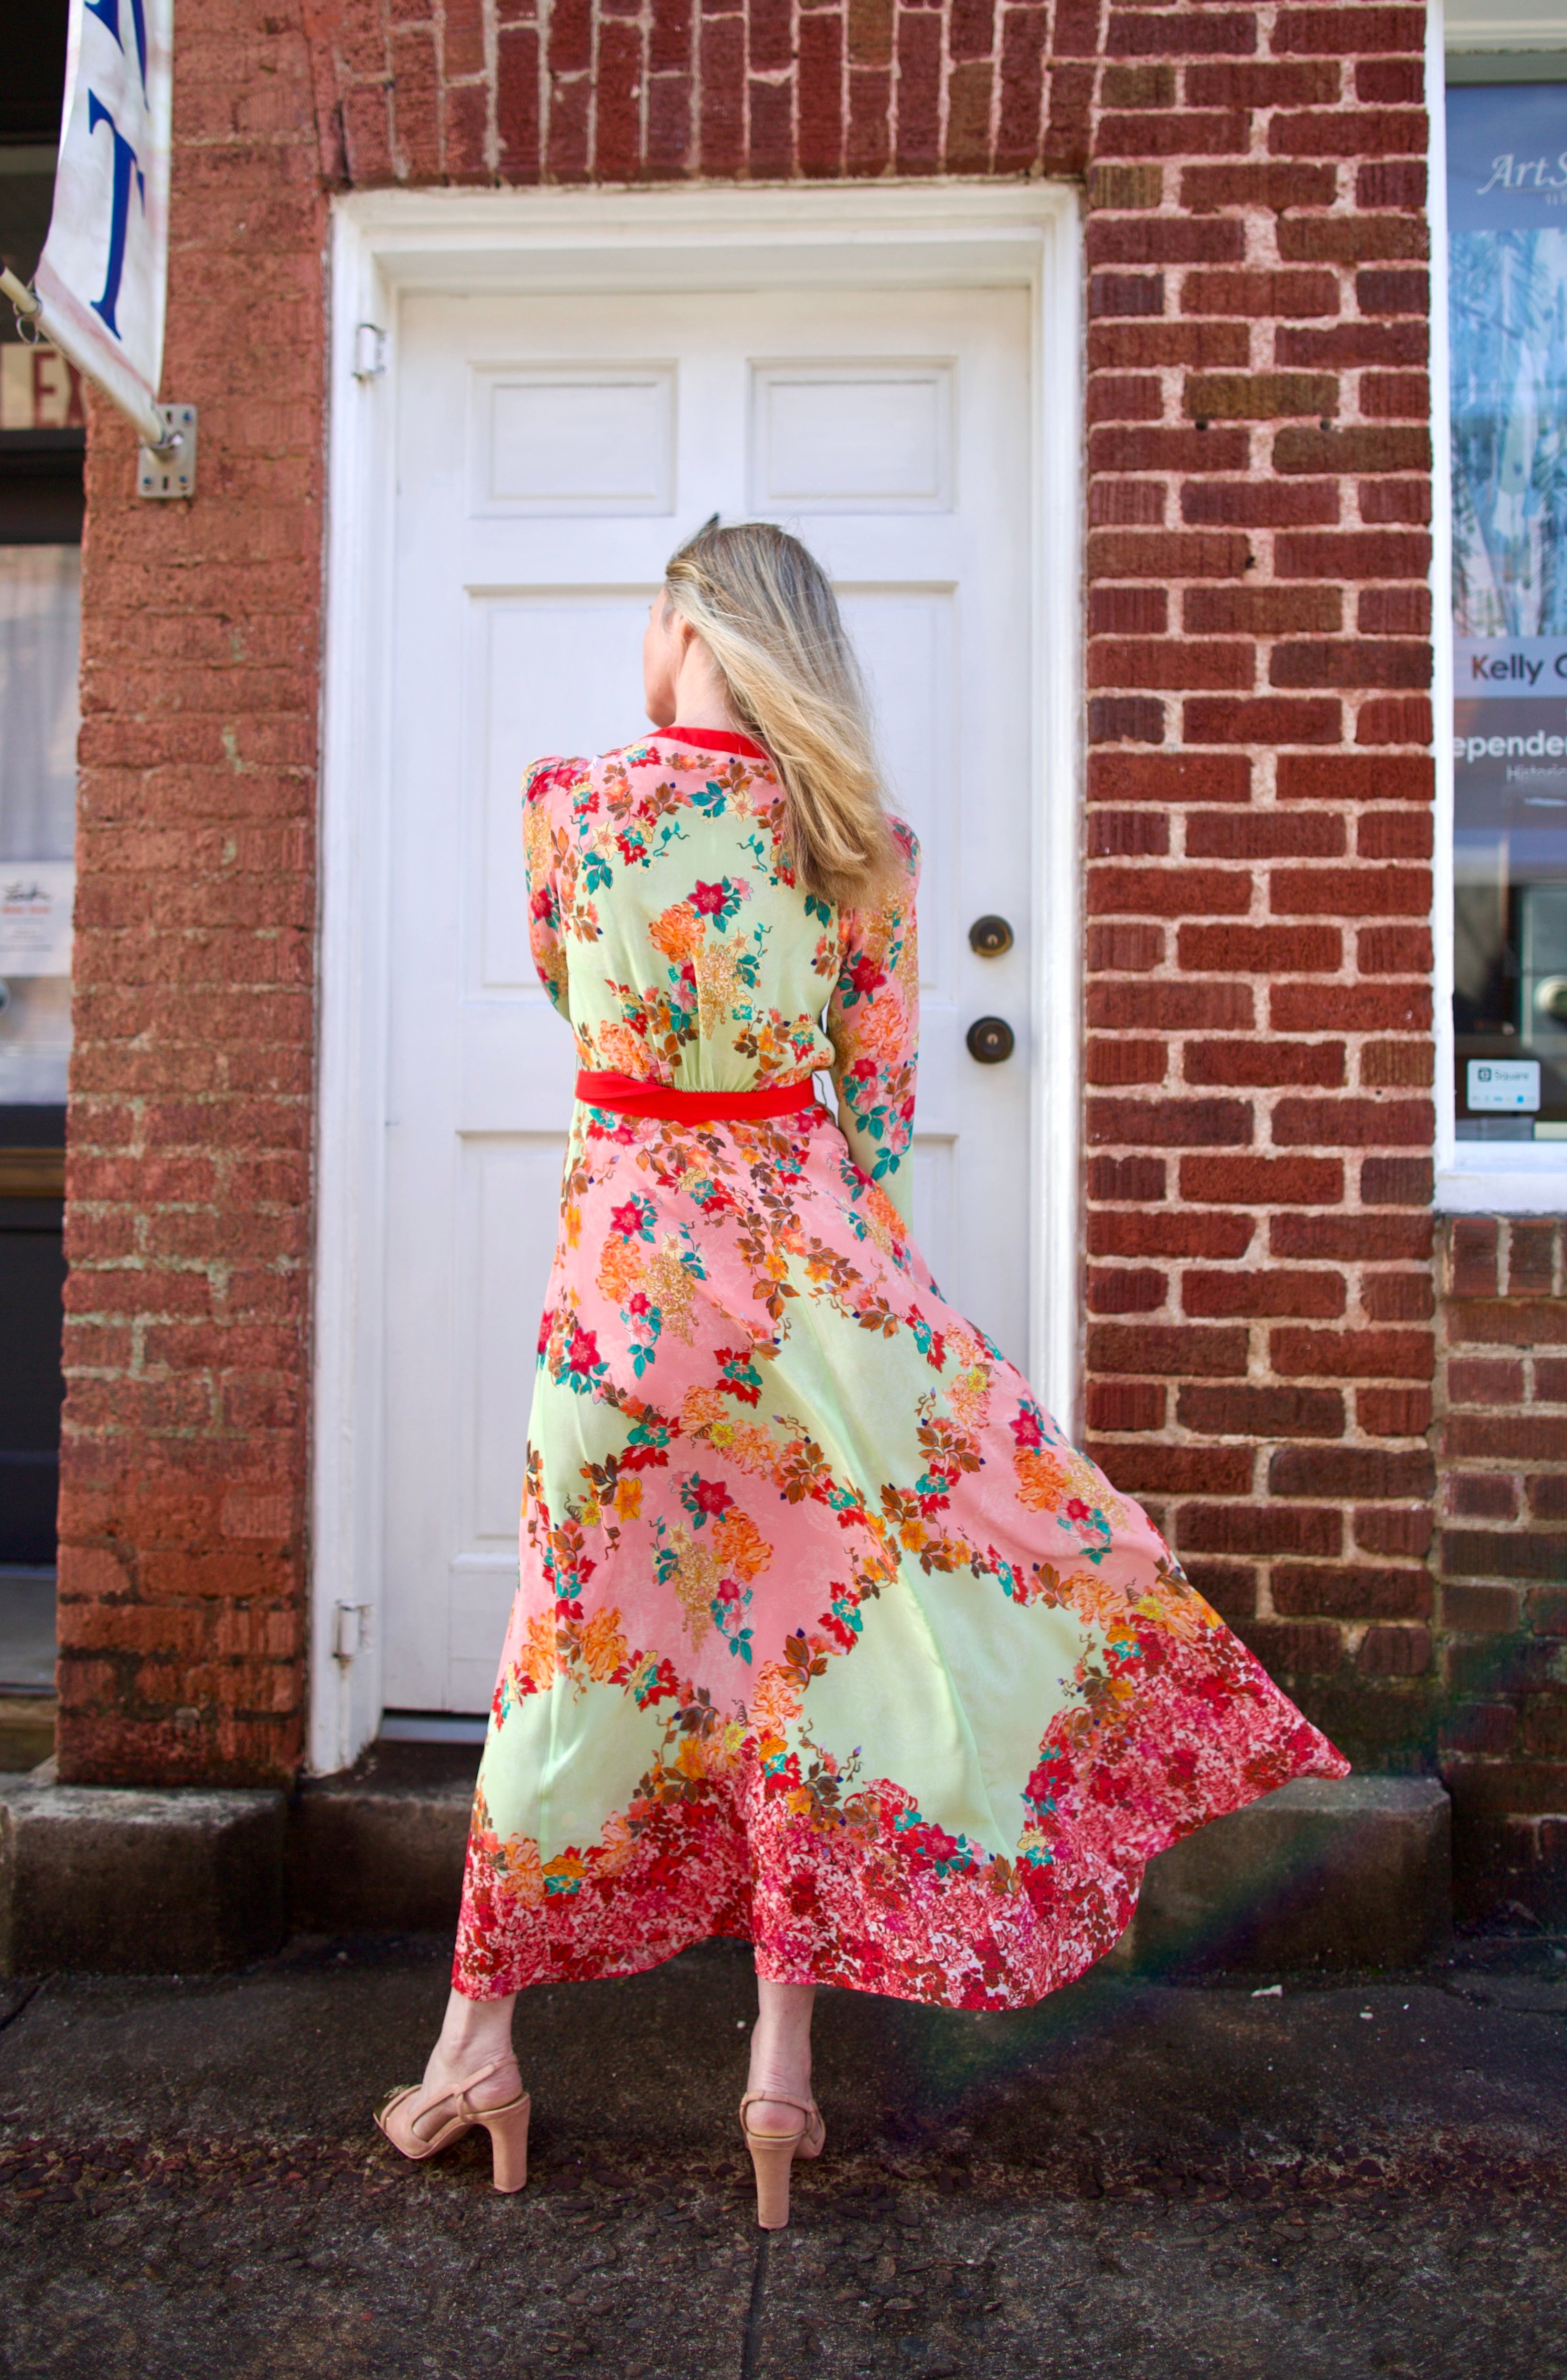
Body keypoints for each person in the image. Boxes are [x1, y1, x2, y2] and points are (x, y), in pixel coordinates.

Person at [375, 519, 1348, 2226]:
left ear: (691, 628)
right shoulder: (860, 845)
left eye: (654, 619)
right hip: (813, 1301)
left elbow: (573, 997)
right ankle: (778, 2079)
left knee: (571, 1651)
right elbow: (877, 1124)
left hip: (626, 1301)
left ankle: (478, 2048)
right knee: (810, 1666)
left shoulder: (572, 804)